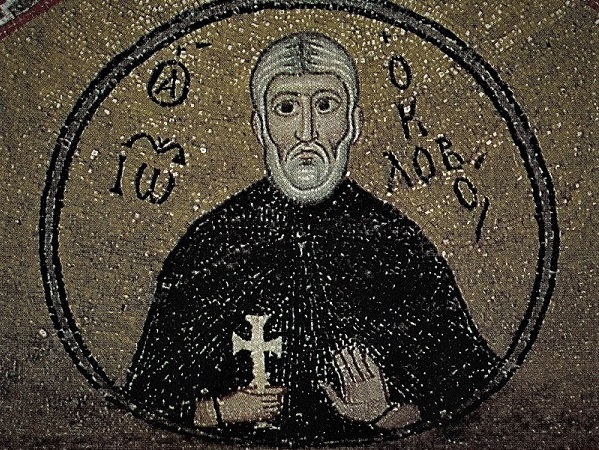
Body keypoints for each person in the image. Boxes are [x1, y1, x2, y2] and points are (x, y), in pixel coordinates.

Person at [125, 32, 500, 445]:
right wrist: (219, 411)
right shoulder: (210, 245)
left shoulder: (398, 246)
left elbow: (472, 400)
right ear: (261, 126)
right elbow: (145, 402)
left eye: (325, 106)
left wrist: (385, 414)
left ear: (353, 123)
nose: (307, 132)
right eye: (286, 108)